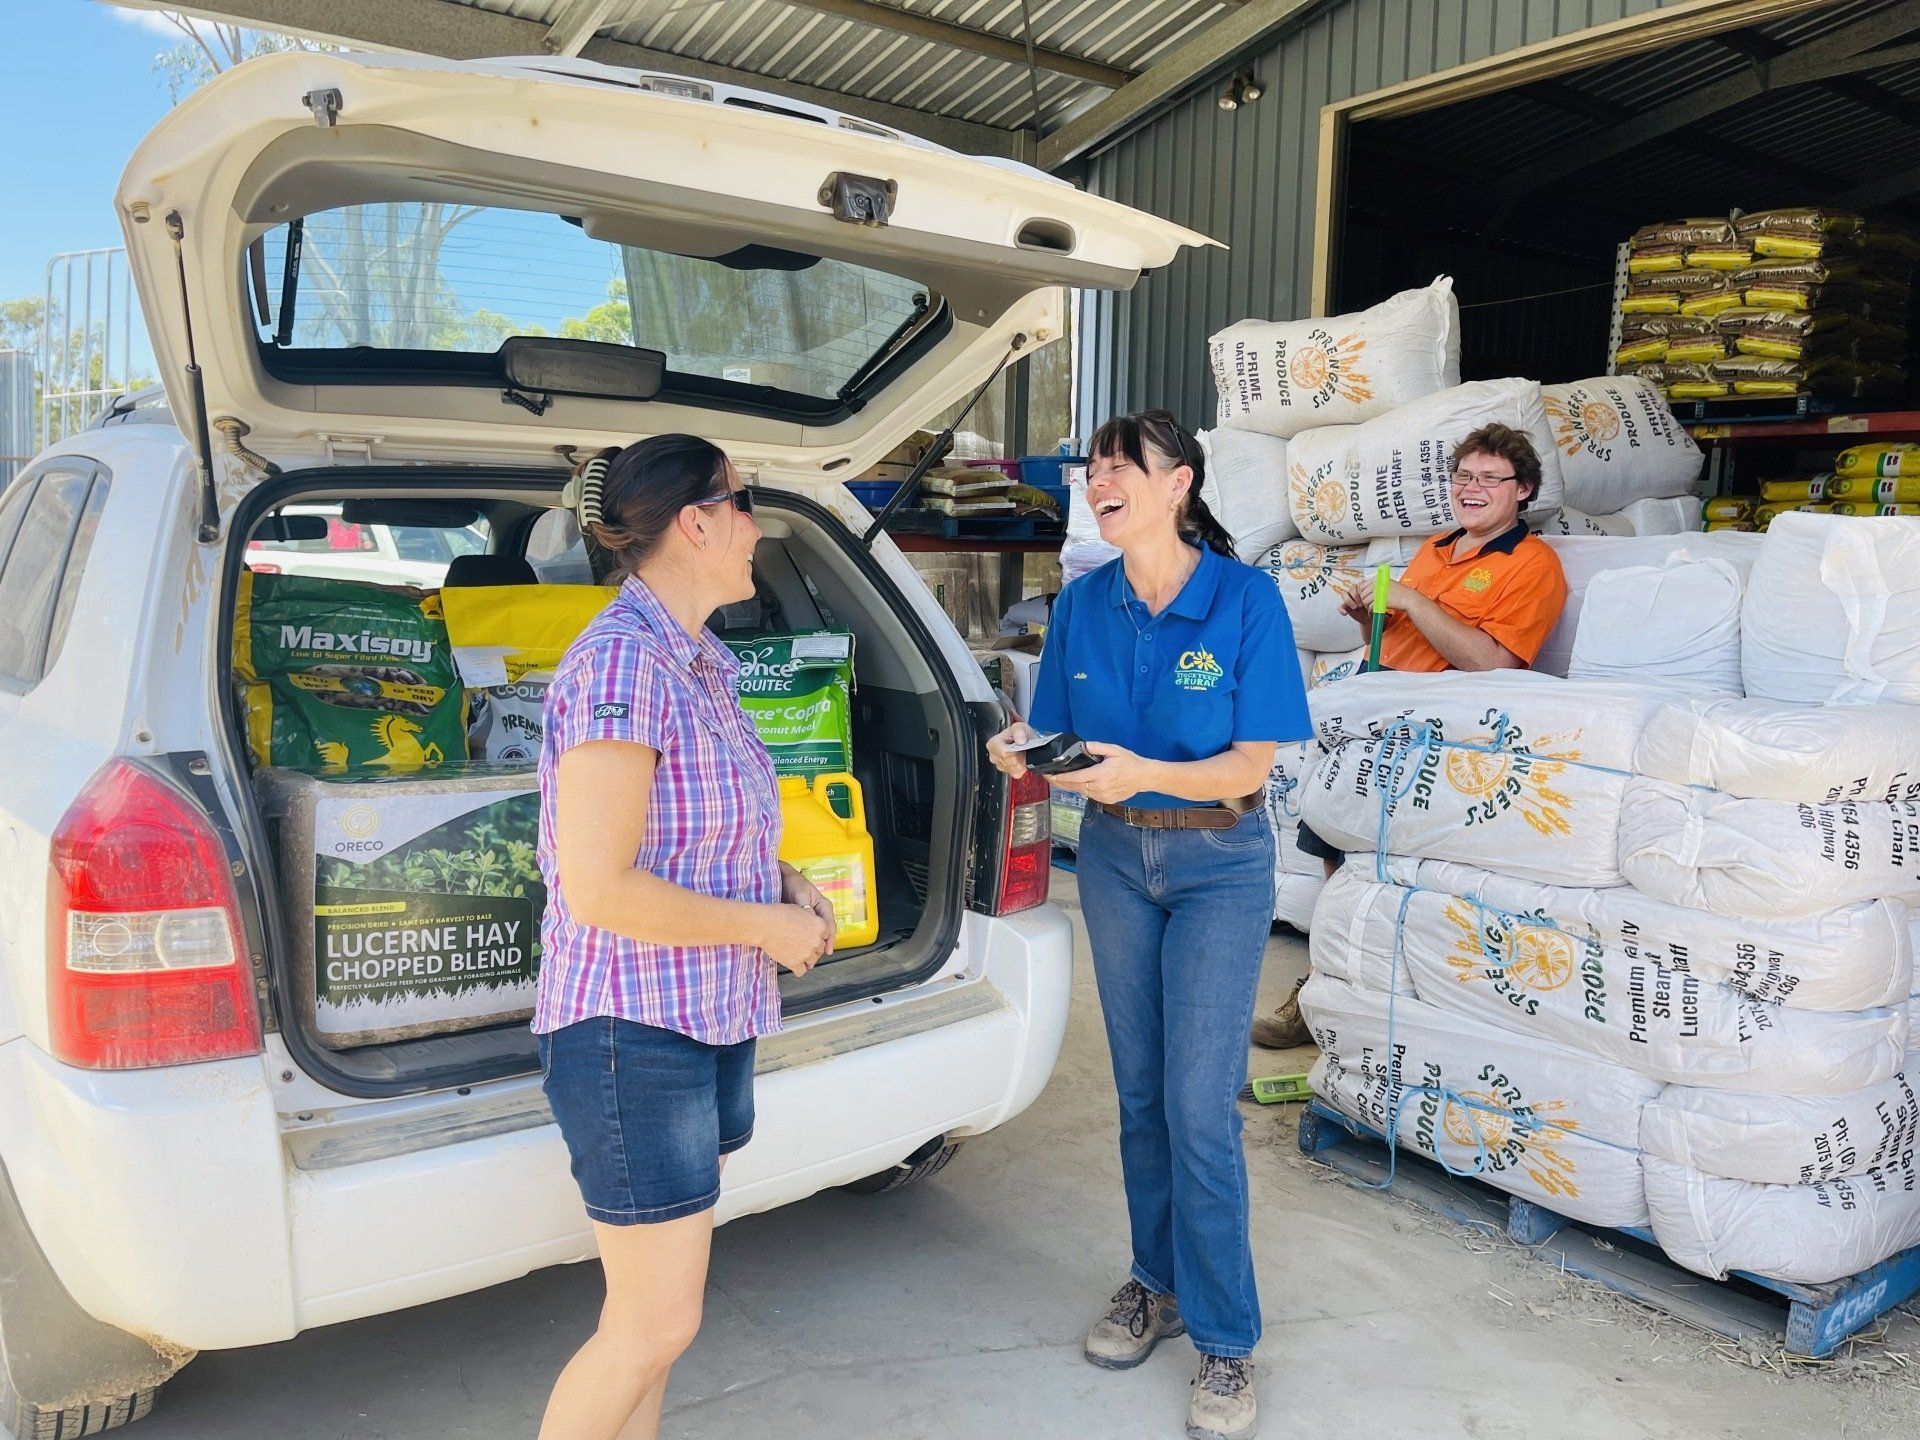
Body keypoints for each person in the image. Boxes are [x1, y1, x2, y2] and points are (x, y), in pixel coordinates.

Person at [988, 410, 1311, 1440]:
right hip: (1118, 861)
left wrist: (1148, 775)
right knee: (1138, 1096)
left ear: (1180, 484)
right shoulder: (1083, 605)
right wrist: (1027, 750)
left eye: (1123, 465)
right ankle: (1152, 1284)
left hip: (1218, 860)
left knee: (1198, 1106)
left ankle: (1226, 1341)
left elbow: (1251, 764)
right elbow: (1066, 738)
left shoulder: (1244, 601)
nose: (1101, 479)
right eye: (1093, 467)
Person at [532, 435, 837, 1440]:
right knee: (655, 1325)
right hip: (633, 1031)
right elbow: (599, 887)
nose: (760, 526)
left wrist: (788, 886)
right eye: (746, 504)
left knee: (652, 1324)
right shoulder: (624, 664)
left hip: (703, 1015)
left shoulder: (698, 659)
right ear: (695, 522)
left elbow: (709, 830)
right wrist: (768, 927)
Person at [1251, 422, 1568, 1050]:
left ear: (1523, 490)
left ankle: (1370, 1009)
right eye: (1463, 477)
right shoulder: (1438, 548)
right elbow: (1412, 633)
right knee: (1333, 856)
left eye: (1489, 480)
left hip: (1441, 740)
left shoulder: (1533, 566)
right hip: (1378, 716)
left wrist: (1414, 604)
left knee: (1395, 882)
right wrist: (1376, 612)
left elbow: (1495, 666)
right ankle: (1322, 992)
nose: (1471, 490)